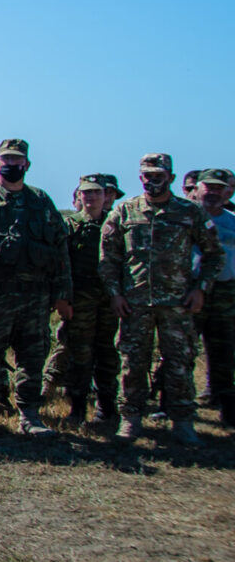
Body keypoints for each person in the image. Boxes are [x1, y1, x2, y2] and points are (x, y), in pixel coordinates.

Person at [0, 140, 73, 437]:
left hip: (36, 296)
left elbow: (60, 250)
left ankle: (29, 415)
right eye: (6, 160)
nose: (11, 165)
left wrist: (63, 294)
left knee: (33, 356)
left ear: (27, 165)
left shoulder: (41, 201)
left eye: (17, 160)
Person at [100, 152, 222, 443]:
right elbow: (108, 259)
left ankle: (182, 422)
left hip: (178, 304)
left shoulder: (190, 213)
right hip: (134, 303)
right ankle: (130, 419)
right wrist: (115, 295)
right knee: (132, 363)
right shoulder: (124, 212)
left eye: (158, 175)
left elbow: (214, 255)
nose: (152, 181)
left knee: (179, 362)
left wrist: (200, 288)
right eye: (147, 175)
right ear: (140, 177)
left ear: (171, 177)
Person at [45, 174, 121, 425]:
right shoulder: (70, 225)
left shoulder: (116, 223)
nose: (91, 197)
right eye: (86, 193)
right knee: (80, 355)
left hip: (110, 300)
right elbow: (60, 264)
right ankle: (77, 408)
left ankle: (107, 408)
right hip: (80, 301)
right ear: (79, 196)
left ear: (106, 196)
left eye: (96, 193)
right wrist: (62, 298)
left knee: (108, 353)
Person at [195, 168, 235, 423]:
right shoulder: (186, 218)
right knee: (182, 349)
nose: (213, 192)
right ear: (198, 189)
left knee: (224, 350)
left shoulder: (232, 221)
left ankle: (226, 406)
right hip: (192, 290)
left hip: (226, 291)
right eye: (208, 187)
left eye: (219, 188)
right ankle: (173, 405)